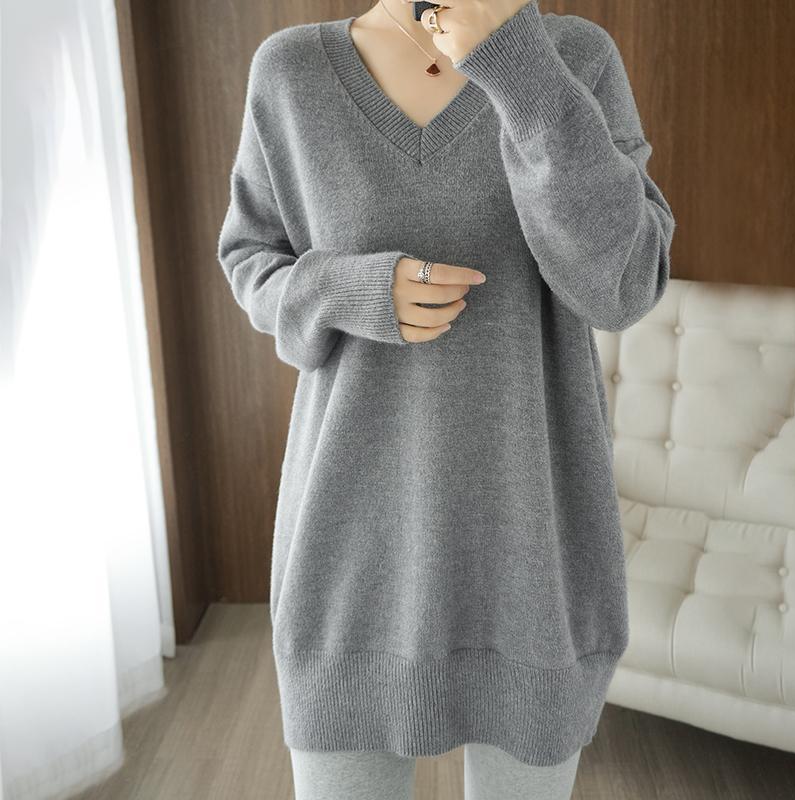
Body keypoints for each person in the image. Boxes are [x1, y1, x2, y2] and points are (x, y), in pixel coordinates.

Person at [216, 0, 675, 797]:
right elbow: (251, 259)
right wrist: (345, 290)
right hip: (350, 558)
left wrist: (520, 70)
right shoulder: (290, 73)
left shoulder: (574, 58)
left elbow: (623, 285)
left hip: (533, 562)